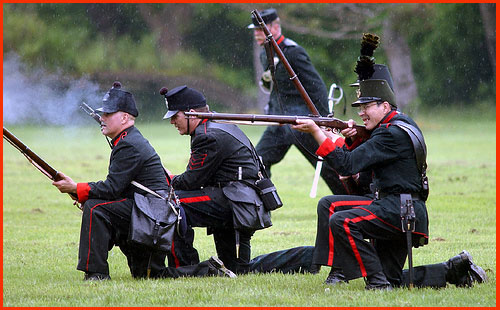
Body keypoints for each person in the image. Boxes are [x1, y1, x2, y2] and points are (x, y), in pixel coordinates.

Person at [292, 77, 487, 289]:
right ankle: (452, 269)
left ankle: (375, 283)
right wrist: (351, 138)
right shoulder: (402, 124)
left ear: (385, 106)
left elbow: (347, 165)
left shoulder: (389, 134)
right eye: (360, 107)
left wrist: (316, 133)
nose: (361, 113)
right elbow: (370, 166)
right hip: (406, 211)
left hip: (396, 210)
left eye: (367, 106)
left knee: (342, 221)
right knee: (392, 279)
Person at [52, 82, 233, 280]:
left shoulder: (129, 144)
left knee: (96, 208)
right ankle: (208, 270)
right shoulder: (126, 139)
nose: (102, 118)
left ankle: (96, 274)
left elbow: (112, 188)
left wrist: (77, 188)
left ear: (124, 117)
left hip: (153, 216)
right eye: (102, 114)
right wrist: (78, 190)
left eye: (107, 114)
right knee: (149, 276)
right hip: (147, 213)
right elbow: (119, 190)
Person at [160, 85, 270, 274]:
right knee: (236, 269)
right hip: (237, 198)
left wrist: (168, 178)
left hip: (237, 203)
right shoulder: (215, 124)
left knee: (171, 203)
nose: (172, 122)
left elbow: (190, 181)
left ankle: (185, 269)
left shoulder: (207, 136)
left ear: (191, 114)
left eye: (175, 116)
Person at [248, 8, 353, 195]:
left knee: (329, 166)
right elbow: (274, 90)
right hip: (279, 123)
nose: (256, 34)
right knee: (257, 161)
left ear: (275, 27)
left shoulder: (293, 52)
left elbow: (315, 86)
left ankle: (352, 200)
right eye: (255, 30)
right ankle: (262, 203)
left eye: (259, 29)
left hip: (303, 123)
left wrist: (323, 121)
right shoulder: (265, 53)